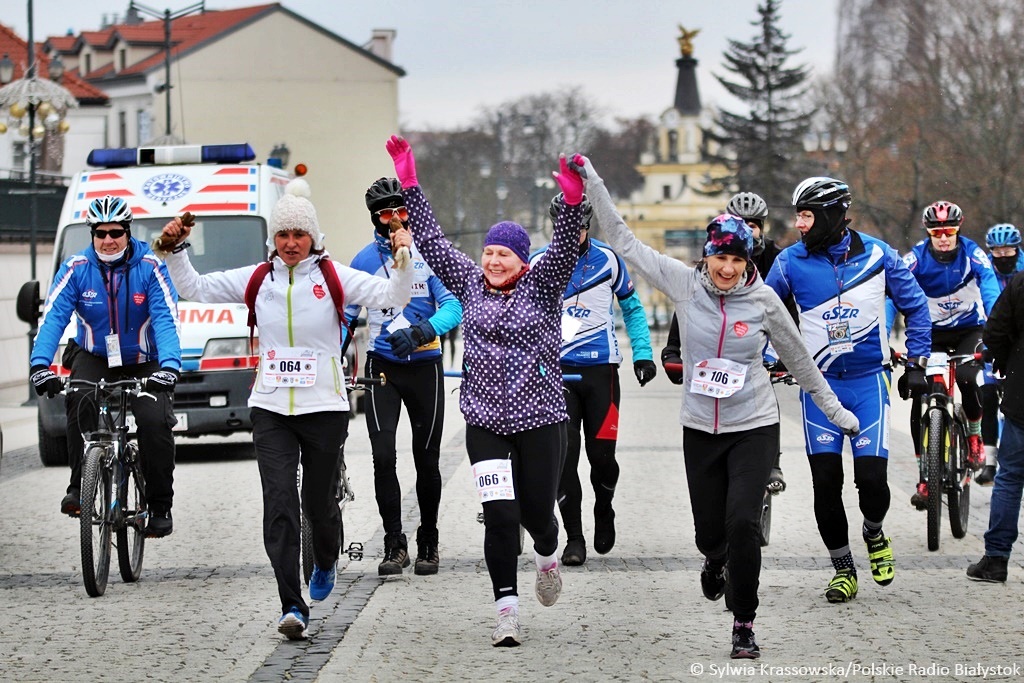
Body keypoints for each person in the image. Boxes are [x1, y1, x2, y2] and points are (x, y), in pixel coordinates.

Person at [574, 154, 858, 659]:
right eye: (720, 258)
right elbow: (624, 241)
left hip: (754, 425)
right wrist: (593, 182)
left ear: (748, 262)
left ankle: (744, 623)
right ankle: (714, 559)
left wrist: (835, 412)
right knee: (711, 533)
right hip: (700, 428)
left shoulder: (764, 301)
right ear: (707, 256)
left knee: (744, 523)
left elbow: (802, 361)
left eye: (737, 261)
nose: (727, 269)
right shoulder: (685, 285)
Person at [156, 178, 413, 640]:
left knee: (318, 504)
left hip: (324, 408)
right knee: (279, 504)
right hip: (271, 407)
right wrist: (176, 251)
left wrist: (403, 259)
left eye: (299, 235)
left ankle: (327, 558)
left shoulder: (334, 277)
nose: (291, 243)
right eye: (283, 235)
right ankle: (292, 605)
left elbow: (394, 297)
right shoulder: (258, 279)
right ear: (273, 238)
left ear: (314, 237)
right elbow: (195, 288)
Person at [385, 134, 581, 648]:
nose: (493, 261)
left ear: (522, 260)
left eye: (504, 254)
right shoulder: (469, 281)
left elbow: (564, 249)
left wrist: (571, 202)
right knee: (500, 516)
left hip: (541, 420)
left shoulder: (542, 285)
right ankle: (506, 612)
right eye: (489, 252)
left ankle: (547, 555)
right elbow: (431, 241)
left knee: (538, 515)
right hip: (486, 422)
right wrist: (409, 182)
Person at [764, 176, 931, 604]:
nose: (799, 224)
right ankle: (843, 569)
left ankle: (874, 533)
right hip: (819, 388)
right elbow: (761, 313)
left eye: (806, 215)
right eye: (798, 215)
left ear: (831, 215)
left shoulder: (879, 254)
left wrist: (917, 363)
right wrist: (765, 356)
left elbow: (916, 307)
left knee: (871, 481)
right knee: (826, 482)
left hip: (868, 382)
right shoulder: (788, 263)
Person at [30, 195, 181, 538]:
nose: (108, 240)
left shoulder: (150, 266)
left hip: (144, 360)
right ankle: (78, 487)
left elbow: (166, 319)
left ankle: (160, 505)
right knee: (78, 400)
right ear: (92, 235)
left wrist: (169, 366)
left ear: (128, 232)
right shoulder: (76, 268)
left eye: (116, 232)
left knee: (154, 422)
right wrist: (40, 364)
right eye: (100, 233)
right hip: (95, 354)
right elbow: (53, 318)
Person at [530, 193, 656, 567]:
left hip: (602, 371)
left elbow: (632, 308)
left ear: (588, 227)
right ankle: (574, 537)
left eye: (580, 229)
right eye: (565, 229)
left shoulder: (609, 260)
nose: (573, 236)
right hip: (557, 373)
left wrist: (643, 353)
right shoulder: (538, 263)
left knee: (602, 457)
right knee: (564, 458)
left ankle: (604, 505)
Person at [346, 177, 463, 577]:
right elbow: (346, 316)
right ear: (375, 220)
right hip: (383, 367)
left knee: (427, 458)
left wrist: (421, 332)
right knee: (383, 456)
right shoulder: (363, 261)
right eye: (386, 214)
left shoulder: (428, 255)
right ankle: (394, 543)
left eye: (401, 211)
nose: (395, 220)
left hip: (425, 364)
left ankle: (428, 539)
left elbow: (453, 307)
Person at [662, 191, 789, 492]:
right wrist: (673, 349)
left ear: (762, 228)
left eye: (752, 225)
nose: (746, 229)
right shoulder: (715, 253)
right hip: (720, 348)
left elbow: (788, 313)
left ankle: (772, 461)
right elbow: (689, 304)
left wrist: (788, 356)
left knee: (764, 395)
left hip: (763, 340)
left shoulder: (777, 258)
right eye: (739, 222)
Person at [893, 201, 1000, 508]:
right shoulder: (915, 258)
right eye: (936, 233)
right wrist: (883, 334)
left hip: (969, 331)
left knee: (968, 377)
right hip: (931, 334)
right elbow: (892, 294)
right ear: (928, 232)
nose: (943, 238)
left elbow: (990, 288)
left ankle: (974, 436)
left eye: (949, 232)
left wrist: (996, 329)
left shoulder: (972, 253)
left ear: (958, 230)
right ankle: (924, 475)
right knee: (922, 394)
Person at [967, 261, 1024, 583]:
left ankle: (996, 559)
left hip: (1022, 396)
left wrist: (1003, 362)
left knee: (1010, 478)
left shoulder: (1019, 283)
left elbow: (995, 332)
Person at [976, 223, 1024, 485]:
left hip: (1017, 342)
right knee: (988, 394)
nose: (1003, 256)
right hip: (992, 335)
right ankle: (990, 461)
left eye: (1008, 250)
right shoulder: (984, 269)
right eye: (997, 251)